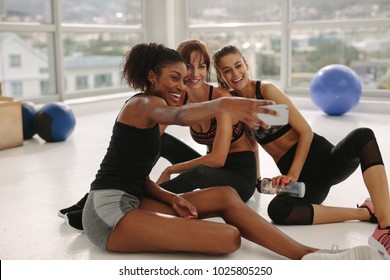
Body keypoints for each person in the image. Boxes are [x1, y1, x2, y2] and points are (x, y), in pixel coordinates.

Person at [78, 42, 378, 260]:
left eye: (186, 78)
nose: (182, 85)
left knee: (224, 196)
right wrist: (226, 104)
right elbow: (180, 117)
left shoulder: (242, 93)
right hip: (109, 215)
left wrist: (171, 197)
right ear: (151, 76)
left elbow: (137, 175)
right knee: (229, 237)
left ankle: (310, 256)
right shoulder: (146, 104)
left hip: (134, 198)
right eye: (174, 77)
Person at [212, 44, 390, 260]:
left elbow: (305, 131)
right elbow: (252, 144)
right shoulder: (235, 107)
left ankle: (385, 226)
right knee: (278, 210)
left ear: (246, 65)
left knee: (363, 135)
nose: (235, 73)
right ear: (221, 76)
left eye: (238, 65)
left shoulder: (266, 90)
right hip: (304, 184)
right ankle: (364, 212)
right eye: (227, 70)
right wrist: (257, 178)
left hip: (322, 159)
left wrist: (293, 173)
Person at [157, 39, 258, 202]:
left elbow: (218, 159)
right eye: (189, 67)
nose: (195, 74)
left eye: (201, 66)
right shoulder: (181, 99)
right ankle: (137, 184)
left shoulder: (221, 98)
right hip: (212, 170)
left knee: (199, 173)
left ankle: (149, 197)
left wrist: (169, 170)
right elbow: (154, 136)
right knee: (159, 140)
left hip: (239, 177)